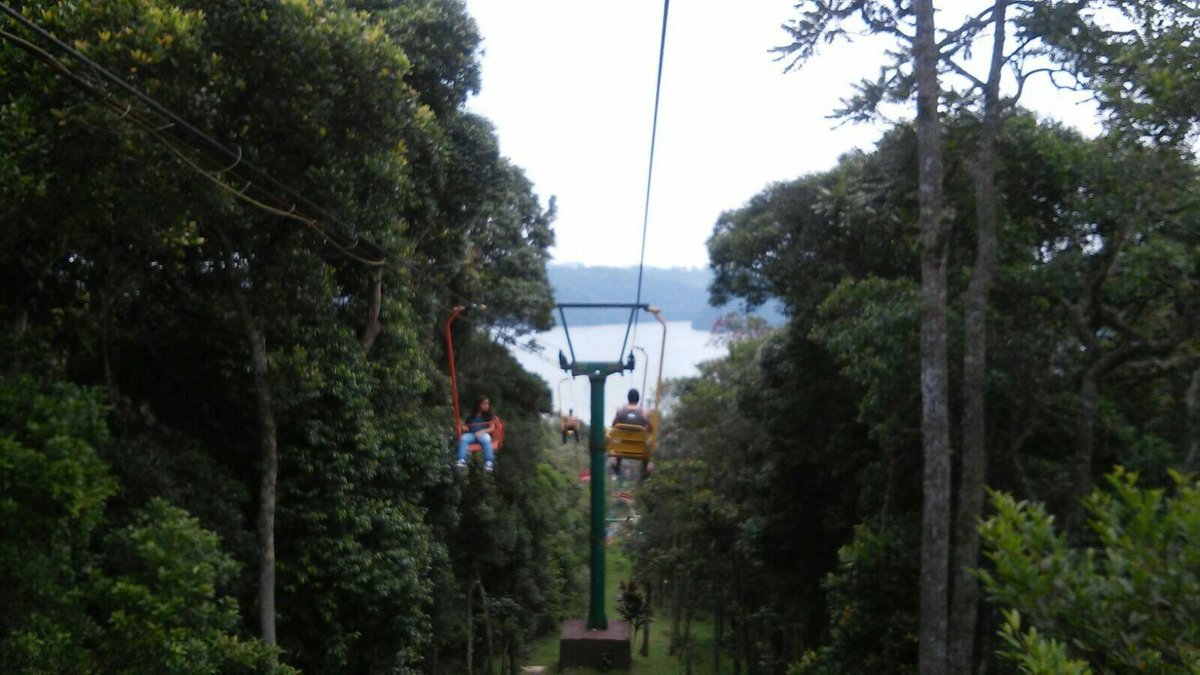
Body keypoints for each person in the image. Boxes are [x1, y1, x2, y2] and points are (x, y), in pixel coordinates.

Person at [610, 389, 651, 477]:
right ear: (638, 399)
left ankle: (617, 464)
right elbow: (650, 429)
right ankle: (645, 467)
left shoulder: (620, 410)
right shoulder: (644, 412)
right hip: (639, 447)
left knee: (619, 438)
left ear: (628, 398)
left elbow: (613, 425)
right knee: (647, 441)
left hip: (622, 446)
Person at [456, 397, 496, 472]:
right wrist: (464, 428)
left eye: (487, 404)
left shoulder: (489, 416)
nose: (487, 405)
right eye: (484, 404)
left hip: (483, 434)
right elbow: (467, 426)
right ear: (478, 405)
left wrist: (482, 432)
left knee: (487, 439)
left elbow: (492, 428)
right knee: (463, 438)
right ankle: (461, 460)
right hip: (472, 434)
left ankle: (488, 462)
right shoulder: (471, 416)